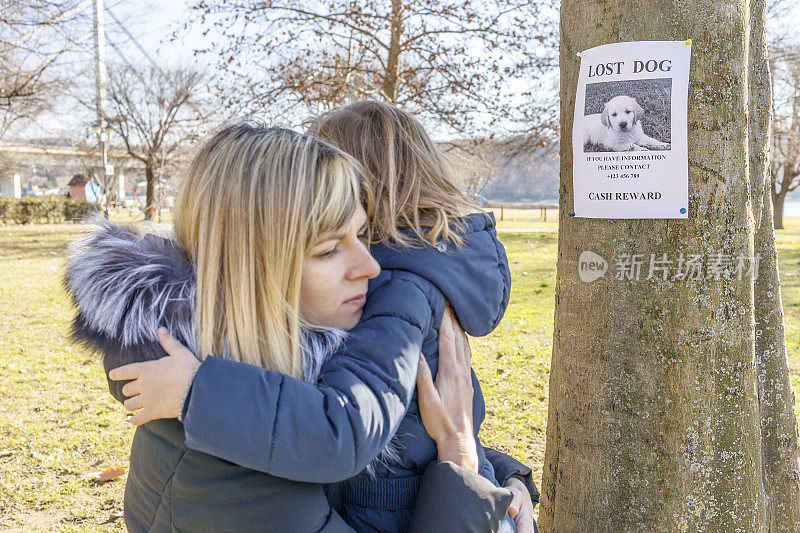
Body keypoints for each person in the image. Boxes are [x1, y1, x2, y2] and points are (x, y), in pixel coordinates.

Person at [109, 103, 540, 532]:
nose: (371, 267)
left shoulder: (265, 384)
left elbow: (404, 425)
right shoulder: (237, 454)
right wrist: (462, 465)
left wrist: (499, 477)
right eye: (329, 248)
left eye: (363, 233)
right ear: (256, 268)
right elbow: (347, 430)